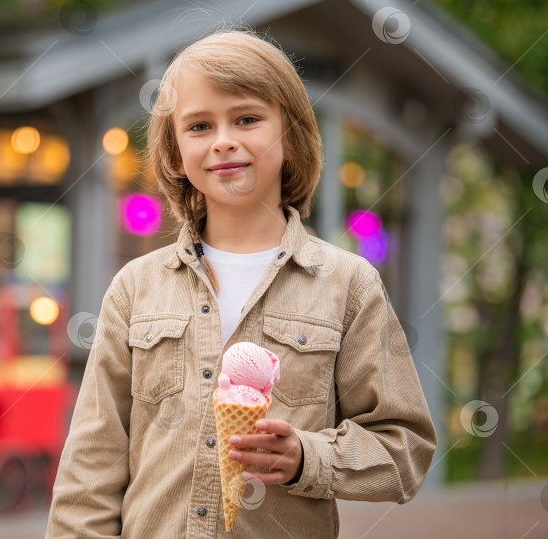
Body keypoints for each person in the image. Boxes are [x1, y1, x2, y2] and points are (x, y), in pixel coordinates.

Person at [45, 30, 437, 538]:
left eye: (247, 119)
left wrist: (307, 457)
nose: (223, 139)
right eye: (199, 125)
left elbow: (406, 450)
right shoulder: (135, 287)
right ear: (175, 150)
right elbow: (91, 465)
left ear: (291, 135)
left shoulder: (348, 284)